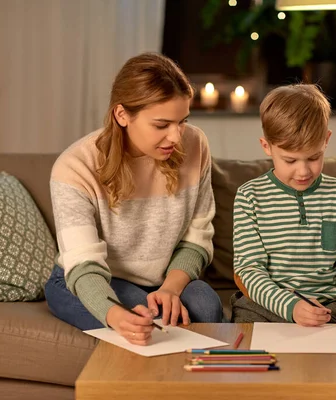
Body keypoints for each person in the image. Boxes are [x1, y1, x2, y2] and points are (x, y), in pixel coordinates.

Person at [45, 52, 222, 346]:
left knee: (207, 306)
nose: (177, 137)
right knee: (148, 323)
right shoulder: (74, 167)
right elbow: (84, 265)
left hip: (161, 276)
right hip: (87, 278)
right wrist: (114, 316)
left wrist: (170, 288)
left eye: (182, 122)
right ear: (122, 115)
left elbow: (197, 236)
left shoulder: (195, 144)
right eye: (162, 125)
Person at [232, 84, 336, 340]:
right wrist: (291, 307)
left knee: (324, 371)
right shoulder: (249, 196)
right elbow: (249, 271)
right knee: (249, 361)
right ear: (266, 146)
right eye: (290, 160)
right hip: (262, 308)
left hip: (325, 309)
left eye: (314, 157)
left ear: (326, 141)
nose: (303, 171)